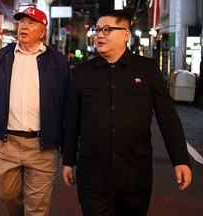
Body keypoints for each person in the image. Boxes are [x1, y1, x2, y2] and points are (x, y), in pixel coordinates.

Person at [62, 10, 192, 216]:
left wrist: (181, 160)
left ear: (126, 34)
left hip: (135, 175)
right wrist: (68, 160)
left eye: (107, 30)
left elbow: (168, 119)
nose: (99, 35)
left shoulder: (147, 70)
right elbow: (72, 121)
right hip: (93, 174)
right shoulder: (82, 72)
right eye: (97, 30)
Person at [0, 7, 71, 216]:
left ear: (42, 32)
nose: (24, 26)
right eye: (22, 22)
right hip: (6, 143)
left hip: (43, 145)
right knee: (6, 194)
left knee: (38, 207)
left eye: (31, 23)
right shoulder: (1, 57)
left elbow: (67, 103)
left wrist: (66, 147)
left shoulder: (57, 61)